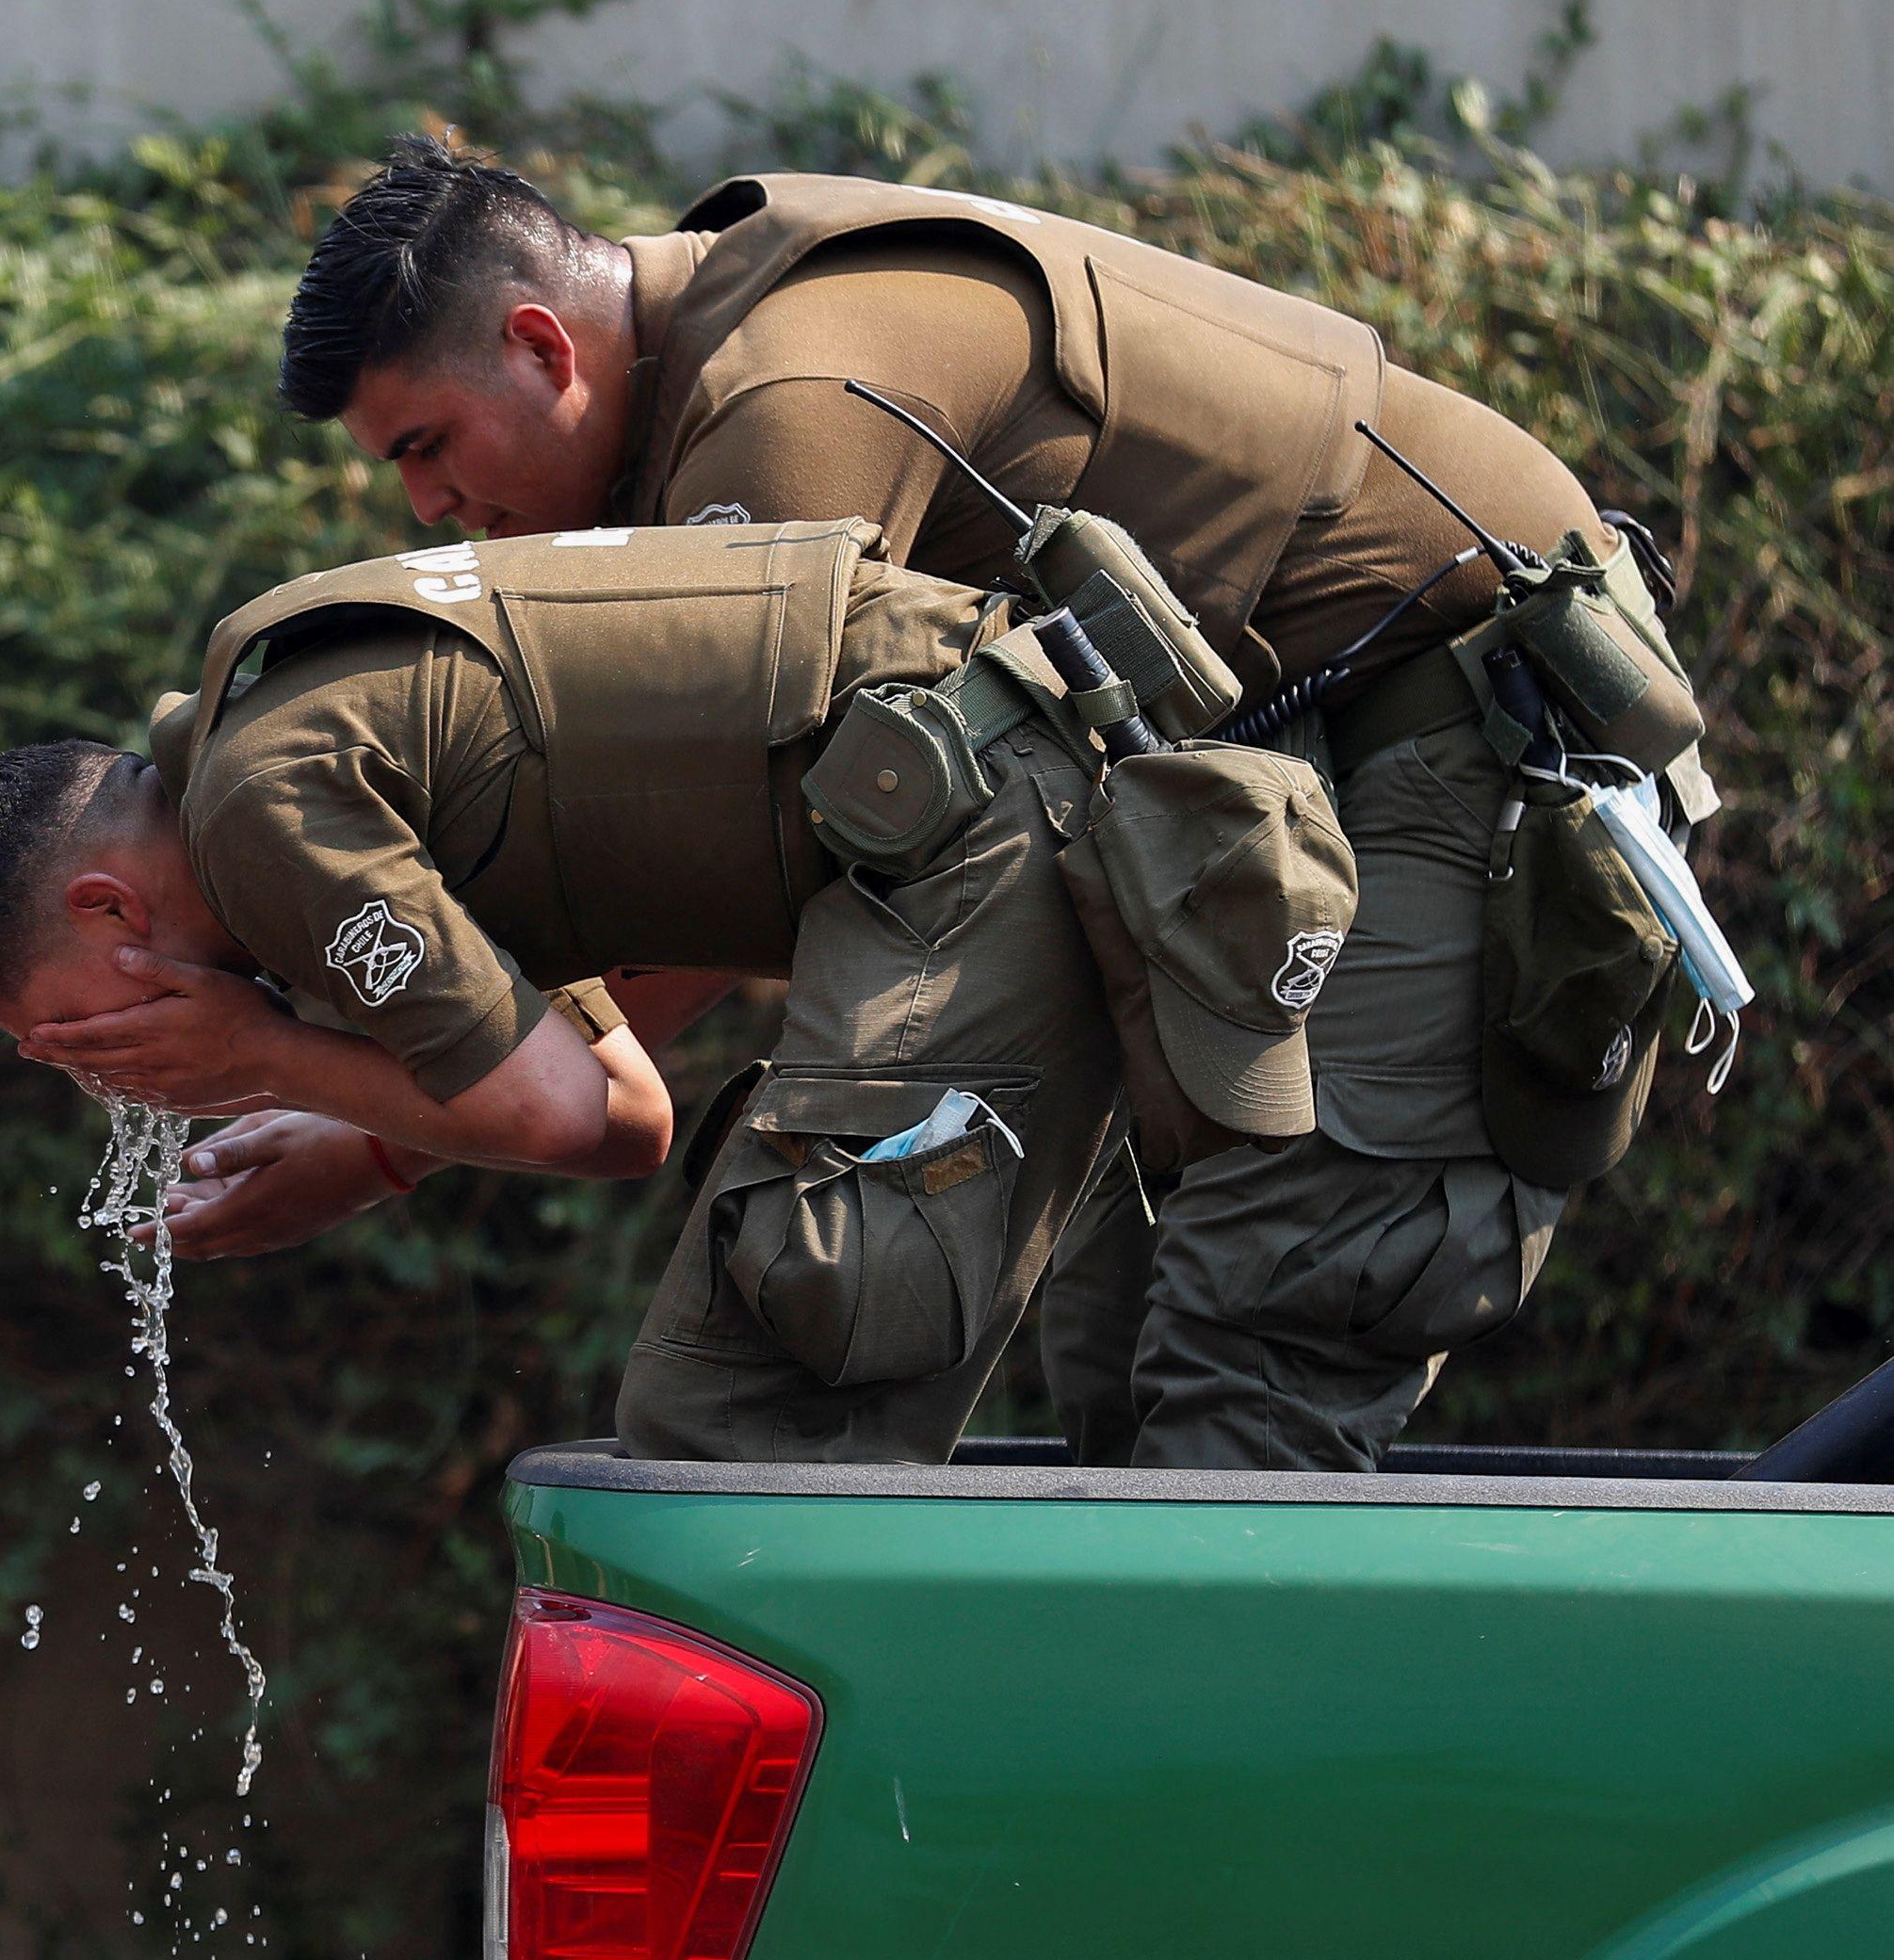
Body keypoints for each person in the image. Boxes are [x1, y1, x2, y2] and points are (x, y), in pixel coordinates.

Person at [195, 137, 1711, 1470]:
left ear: (540, 345)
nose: (425, 509)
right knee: (1126, 1352)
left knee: (1268, 1343)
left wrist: (394, 1125)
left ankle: (1182, 1790)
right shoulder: (722, 345)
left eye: (426, 447)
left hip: (1478, 744)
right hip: (1266, 795)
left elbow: (756, 863)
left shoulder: (782, 408)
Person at [0, 519, 1349, 1465]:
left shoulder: (261, 811)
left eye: (74, 1037)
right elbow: (619, 1109)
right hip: (1010, 793)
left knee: (746, 1420)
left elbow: (558, 1125)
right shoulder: (283, 743)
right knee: (1119, 1404)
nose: (105, 1077)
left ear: (108, 907)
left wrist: (269, 1057)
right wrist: (359, 1135)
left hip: (983, 822)